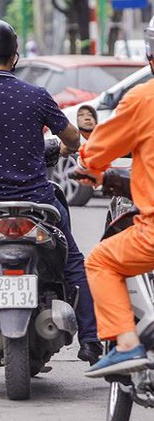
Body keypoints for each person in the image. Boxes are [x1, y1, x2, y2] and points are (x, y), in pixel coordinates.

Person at [0, 19, 101, 382]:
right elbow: (73, 139)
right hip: (38, 204)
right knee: (74, 263)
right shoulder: (37, 95)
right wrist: (66, 146)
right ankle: (91, 341)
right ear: (14, 57)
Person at [74, 16, 154, 378]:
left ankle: (126, 343)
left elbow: (95, 154)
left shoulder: (142, 98)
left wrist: (88, 160)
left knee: (101, 262)